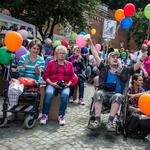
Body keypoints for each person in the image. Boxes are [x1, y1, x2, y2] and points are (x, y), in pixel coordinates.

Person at [86, 38, 147, 131]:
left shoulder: (124, 70)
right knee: (98, 93)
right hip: (104, 92)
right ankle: (97, 121)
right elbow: (95, 56)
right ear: (108, 59)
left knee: (118, 96)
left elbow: (135, 67)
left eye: (117, 57)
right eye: (113, 57)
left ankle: (110, 122)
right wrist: (91, 44)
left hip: (116, 95)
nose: (115, 58)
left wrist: (142, 58)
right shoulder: (104, 68)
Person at [40, 45, 75, 125]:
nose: (61, 55)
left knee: (66, 94)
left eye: (63, 53)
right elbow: (45, 76)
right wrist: (51, 83)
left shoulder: (69, 64)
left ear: (66, 54)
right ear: (56, 54)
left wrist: (68, 84)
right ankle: (45, 114)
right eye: (60, 53)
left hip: (65, 85)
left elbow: (72, 77)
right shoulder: (51, 63)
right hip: (52, 84)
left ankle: (61, 115)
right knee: (48, 93)